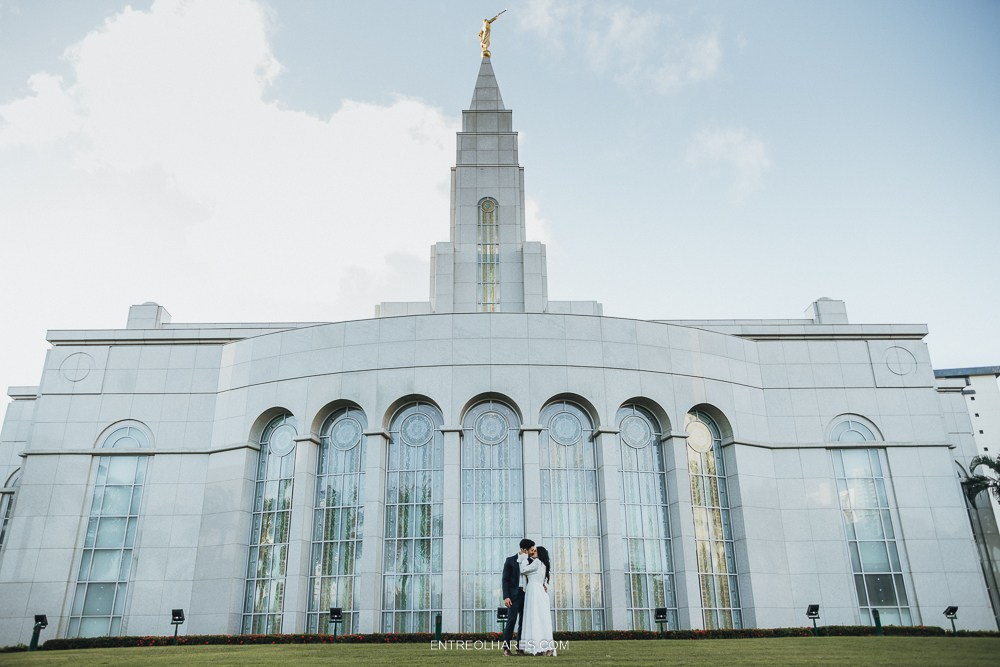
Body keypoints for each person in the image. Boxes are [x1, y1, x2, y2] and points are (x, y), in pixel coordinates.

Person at [518, 545, 556, 656]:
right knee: (540, 619)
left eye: (535, 551)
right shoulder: (543, 564)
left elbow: (523, 570)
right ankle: (544, 647)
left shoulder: (537, 562)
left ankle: (543, 647)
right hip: (538, 590)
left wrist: (524, 559)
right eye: (533, 550)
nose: (533, 552)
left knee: (535, 617)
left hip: (534, 591)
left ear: (539, 553)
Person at [501, 538, 534, 656]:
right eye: (529, 550)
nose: (531, 552)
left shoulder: (531, 561)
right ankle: (506, 648)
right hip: (513, 596)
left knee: (523, 623)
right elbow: (505, 580)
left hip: (526, 595)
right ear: (523, 550)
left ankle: (520, 648)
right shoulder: (510, 561)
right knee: (512, 621)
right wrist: (506, 597)